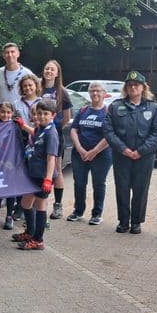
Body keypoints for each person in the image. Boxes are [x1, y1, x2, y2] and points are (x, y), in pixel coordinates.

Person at [103, 71, 157, 234]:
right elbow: (108, 131)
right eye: (129, 85)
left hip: (144, 157)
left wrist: (141, 151)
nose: (132, 87)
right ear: (125, 88)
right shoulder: (115, 106)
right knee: (122, 188)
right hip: (122, 156)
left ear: (143, 87)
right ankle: (123, 221)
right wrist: (124, 149)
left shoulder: (153, 107)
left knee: (140, 189)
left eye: (136, 85)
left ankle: (136, 222)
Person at [12, 99, 60, 250]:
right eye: (39, 113)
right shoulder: (40, 128)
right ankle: (30, 232)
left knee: (40, 206)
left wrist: (47, 179)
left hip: (43, 176)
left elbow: (51, 158)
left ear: (53, 115)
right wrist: (23, 125)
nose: (42, 116)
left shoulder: (51, 133)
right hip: (33, 174)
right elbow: (35, 134)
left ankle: (38, 240)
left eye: (46, 114)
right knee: (25, 203)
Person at [67, 82, 112, 226]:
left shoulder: (108, 113)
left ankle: (97, 214)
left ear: (104, 93)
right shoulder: (83, 110)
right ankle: (78, 211)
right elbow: (74, 130)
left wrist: (94, 151)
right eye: (92, 91)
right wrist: (79, 148)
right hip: (79, 154)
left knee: (99, 184)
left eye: (98, 91)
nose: (95, 93)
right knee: (79, 183)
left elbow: (110, 135)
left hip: (101, 155)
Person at [41, 60, 72, 220]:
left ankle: (58, 205)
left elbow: (67, 117)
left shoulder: (62, 92)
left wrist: (55, 127)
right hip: (37, 133)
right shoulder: (37, 87)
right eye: (47, 68)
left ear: (57, 73)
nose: (49, 71)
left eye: (52, 69)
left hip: (54, 134)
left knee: (57, 170)